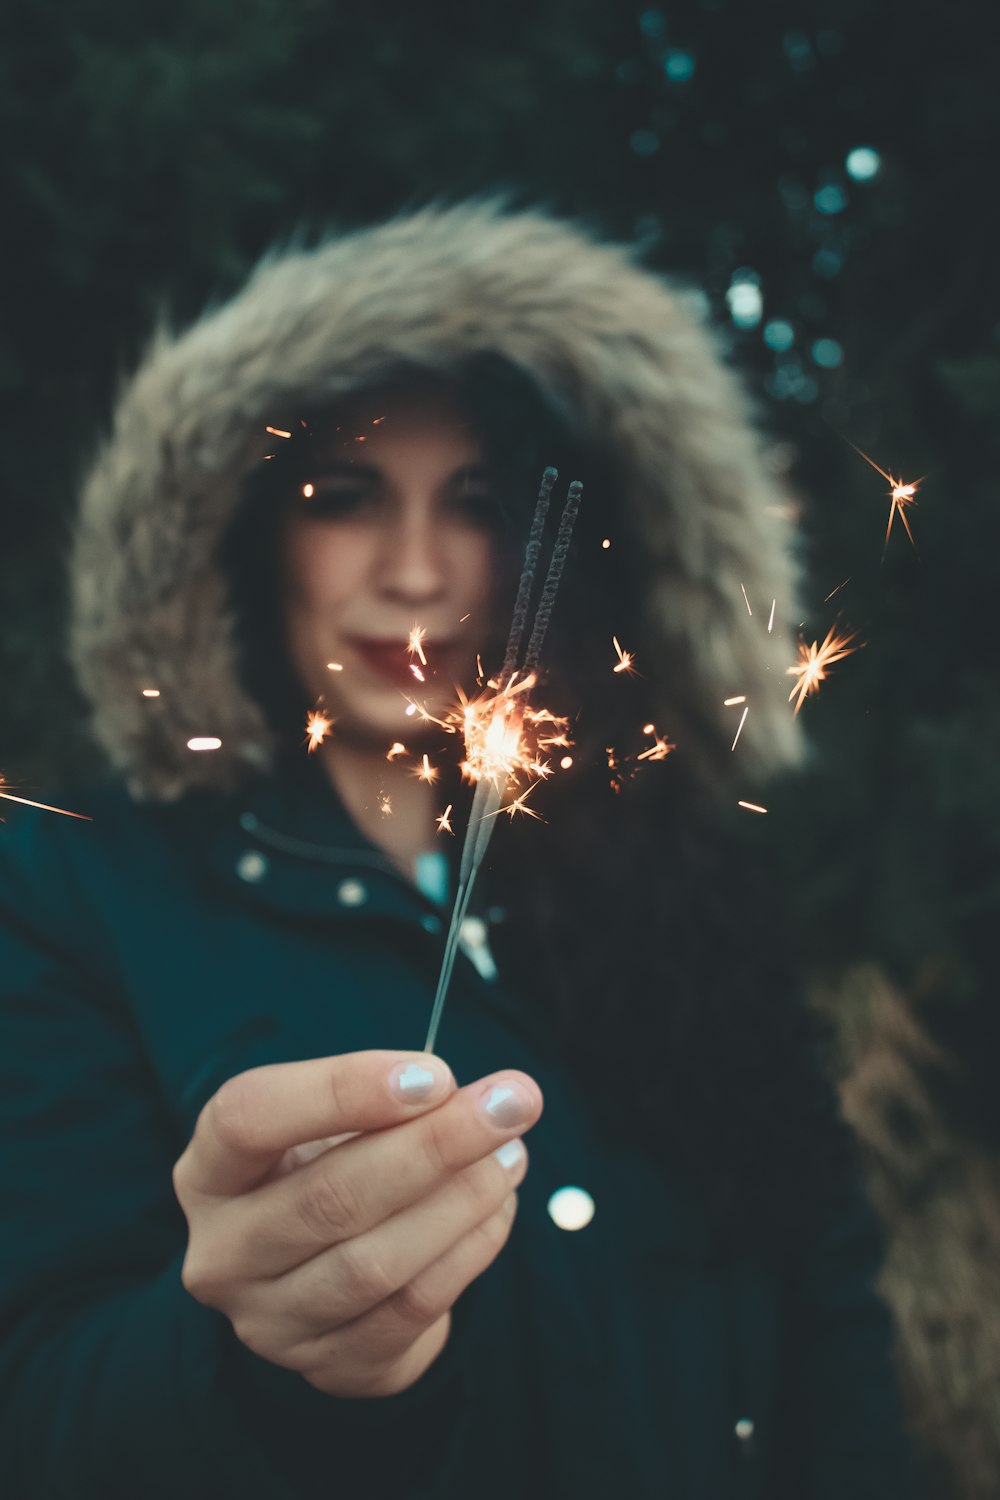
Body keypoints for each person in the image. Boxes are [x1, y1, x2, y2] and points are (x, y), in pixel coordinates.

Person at [0, 196, 916, 1498]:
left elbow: (825, 1312)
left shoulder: (680, 879)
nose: (418, 571)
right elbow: (41, 1410)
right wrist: (271, 1363)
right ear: (252, 530)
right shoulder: (80, 892)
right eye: (349, 495)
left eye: (474, 502)